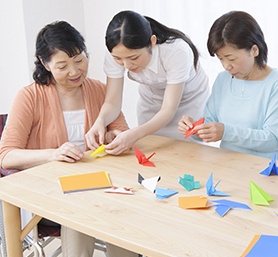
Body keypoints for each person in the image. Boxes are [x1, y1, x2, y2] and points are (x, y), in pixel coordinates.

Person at [0, 22, 139, 257]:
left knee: (120, 206)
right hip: (52, 191)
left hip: (100, 183)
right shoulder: (29, 97)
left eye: (79, 60)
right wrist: (53, 154)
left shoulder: (99, 90)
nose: (75, 72)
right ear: (45, 63)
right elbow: (6, 156)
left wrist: (113, 138)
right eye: (63, 66)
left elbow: (122, 132)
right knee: (80, 208)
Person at [178, 10, 278, 257]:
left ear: (254, 49)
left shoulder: (277, 84)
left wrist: (225, 131)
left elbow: (272, 140)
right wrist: (194, 125)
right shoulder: (223, 81)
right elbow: (211, 120)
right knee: (199, 217)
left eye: (231, 58)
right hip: (227, 171)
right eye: (220, 59)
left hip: (265, 176)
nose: (226, 66)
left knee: (246, 231)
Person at [85, 10, 210, 154]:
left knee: (189, 154)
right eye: (118, 59)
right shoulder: (116, 51)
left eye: (134, 58)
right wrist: (100, 122)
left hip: (188, 103)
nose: (126, 65)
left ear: (152, 42)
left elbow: (168, 108)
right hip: (151, 100)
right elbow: (113, 102)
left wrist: (134, 134)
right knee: (152, 150)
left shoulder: (176, 51)